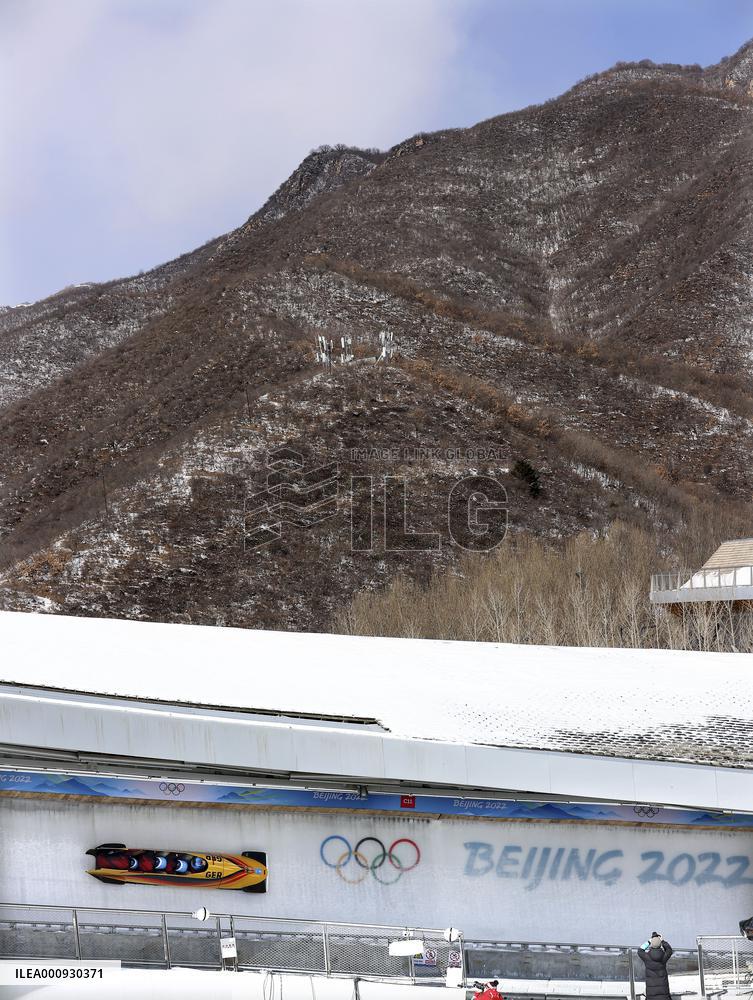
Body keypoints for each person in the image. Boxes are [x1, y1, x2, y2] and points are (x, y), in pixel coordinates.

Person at [637, 931, 674, 1000]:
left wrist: (649, 941)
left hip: (651, 996)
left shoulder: (647, 957)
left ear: (651, 945)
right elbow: (669, 950)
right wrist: (662, 941)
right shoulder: (664, 956)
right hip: (664, 995)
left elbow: (640, 950)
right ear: (660, 945)